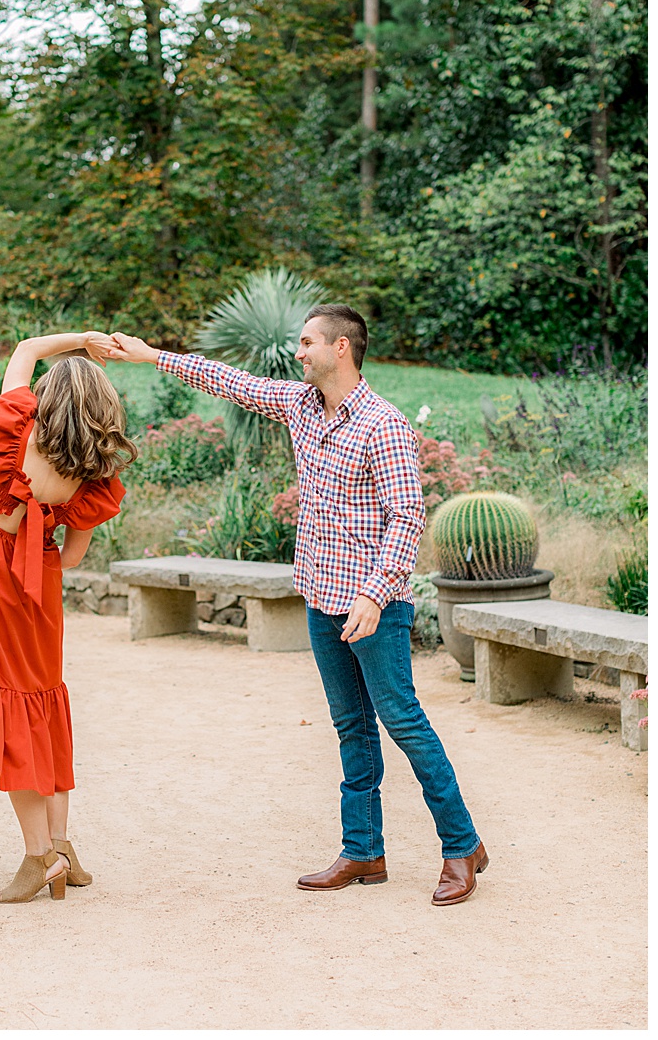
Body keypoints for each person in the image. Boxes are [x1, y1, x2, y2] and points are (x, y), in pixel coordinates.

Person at [107, 305, 488, 906]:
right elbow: (230, 382)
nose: (298, 351)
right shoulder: (300, 405)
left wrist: (375, 592)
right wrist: (151, 355)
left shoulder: (384, 425)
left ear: (341, 347)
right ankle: (363, 852)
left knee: (403, 722)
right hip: (320, 597)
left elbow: (407, 517)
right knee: (351, 727)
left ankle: (462, 845)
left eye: (307, 342)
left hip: (372, 606)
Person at [0, 330, 133, 903]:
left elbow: (24, 350)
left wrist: (83, 340)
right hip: (40, 588)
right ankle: (63, 847)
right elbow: (71, 557)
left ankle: (39, 856)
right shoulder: (93, 474)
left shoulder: (15, 427)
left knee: (12, 714)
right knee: (43, 705)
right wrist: (42, 538)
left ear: (48, 397)